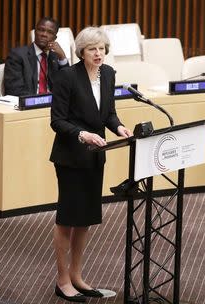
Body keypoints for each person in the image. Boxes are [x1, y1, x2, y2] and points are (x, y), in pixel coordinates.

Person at [49, 26, 132, 302]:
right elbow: (57, 121)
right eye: (92, 49)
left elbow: (108, 113)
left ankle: (76, 276)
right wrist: (82, 134)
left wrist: (119, 128)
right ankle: (62, 281)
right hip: (71, 157)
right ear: (81, 52)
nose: (98, 54)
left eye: (102, 48)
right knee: (68, 218)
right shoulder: (66, 77)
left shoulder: (108, 74)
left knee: (84, 219)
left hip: (96, 155)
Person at [4, 17, 69, 96]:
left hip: (53, 104)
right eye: (41, 30)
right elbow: (14, 89)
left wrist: (62, 57)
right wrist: (38, 100)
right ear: (35, 32)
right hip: (29, 103)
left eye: (50, 32)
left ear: (54, 38)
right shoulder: (18, 55)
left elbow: (67, 85)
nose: (44, 34)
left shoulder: (55, 57)